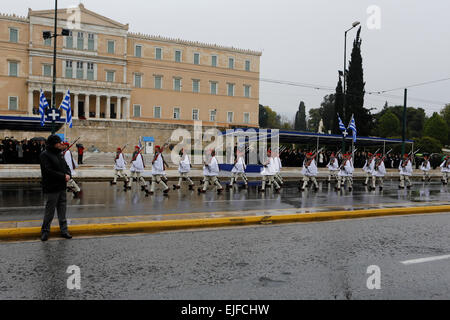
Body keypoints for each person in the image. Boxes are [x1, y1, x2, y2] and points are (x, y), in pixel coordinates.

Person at [39, 134, 73, 241]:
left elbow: (66, 167)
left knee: (62, 210)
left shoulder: (59, 154)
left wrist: (68, 174)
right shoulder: (45, 155)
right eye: (58, 143)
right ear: (54, 144)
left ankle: (64, 230)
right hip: (52, 187)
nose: (60, 144)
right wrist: (63, 176)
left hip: (61, 186)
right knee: (50, 211)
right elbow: (48, 171)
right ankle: (45, 231)